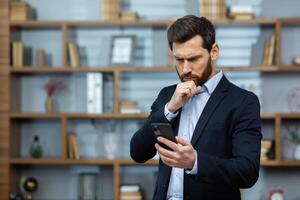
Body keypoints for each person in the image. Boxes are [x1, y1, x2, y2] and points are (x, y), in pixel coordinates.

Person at [130, 15, 262, 200]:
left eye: (193, 59)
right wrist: (170, 108)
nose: (185, 69)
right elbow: (138, 152)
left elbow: (247, 172)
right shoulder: (167, 96)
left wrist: (195, 162)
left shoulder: (242, 102)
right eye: (179, 59)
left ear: (214, 51)